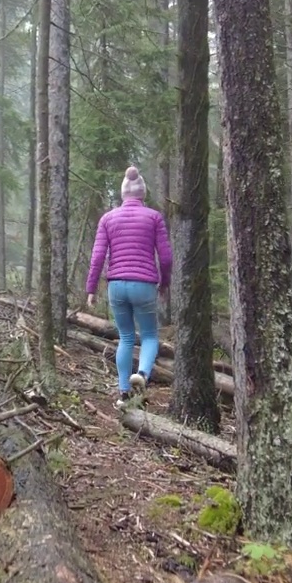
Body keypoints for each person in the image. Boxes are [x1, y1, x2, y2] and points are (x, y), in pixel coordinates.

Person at [85, 166, 173, 409]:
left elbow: (97, 256)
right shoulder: (154, 217)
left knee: (124, 337)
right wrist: (165, 283)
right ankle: (142, 375)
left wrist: (91, 288)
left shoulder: (108, 219)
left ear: (124, 194)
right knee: (149, 335)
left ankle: (123, 392)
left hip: (116, 286)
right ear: (143, 193)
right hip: (144, 284)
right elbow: (165, 258)